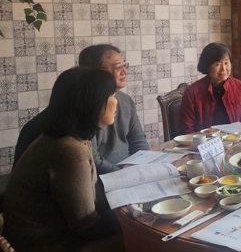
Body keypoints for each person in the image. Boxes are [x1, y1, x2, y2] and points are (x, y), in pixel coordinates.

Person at [3, 67, 130, 252]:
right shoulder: (69, 151)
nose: (116, 101)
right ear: (91, 103)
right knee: (146, 250)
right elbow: (86, 224)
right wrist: (126, 227)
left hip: (46, 245)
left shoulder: (69, 138)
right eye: (110, 95)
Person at [13, 44, 148, 173]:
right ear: (93, 72)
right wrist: (125, 176)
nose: (125, 72)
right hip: (97, 178)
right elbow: (90, 161)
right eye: (117, 67)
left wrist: (144, 167)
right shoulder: (80, 112)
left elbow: (138, 140)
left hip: (124, 176)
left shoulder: (126, 100)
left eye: (124, 65)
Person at [179, 42, 241, 134]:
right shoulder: (192, 92)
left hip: (235, 139)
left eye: (226, 63)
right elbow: (187, 129)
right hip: (206, 141)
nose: (224, 69)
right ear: (207, 66)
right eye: (218, 64)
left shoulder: (238, 86)